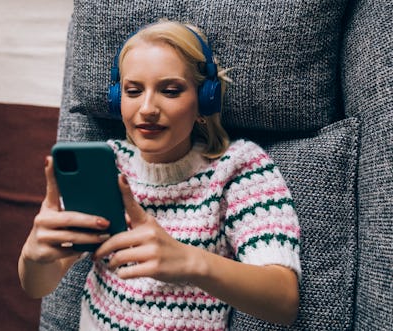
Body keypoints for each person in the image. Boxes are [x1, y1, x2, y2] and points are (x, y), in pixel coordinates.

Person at [18, 20, 301, 330]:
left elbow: (284, 301)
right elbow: (37, 287)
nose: (148, 108)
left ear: (205, 99)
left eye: (170, 90)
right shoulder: (107, 167)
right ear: (118, 100)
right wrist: (34, 256)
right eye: (133, 91)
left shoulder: (238, 170)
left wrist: (191, 262)